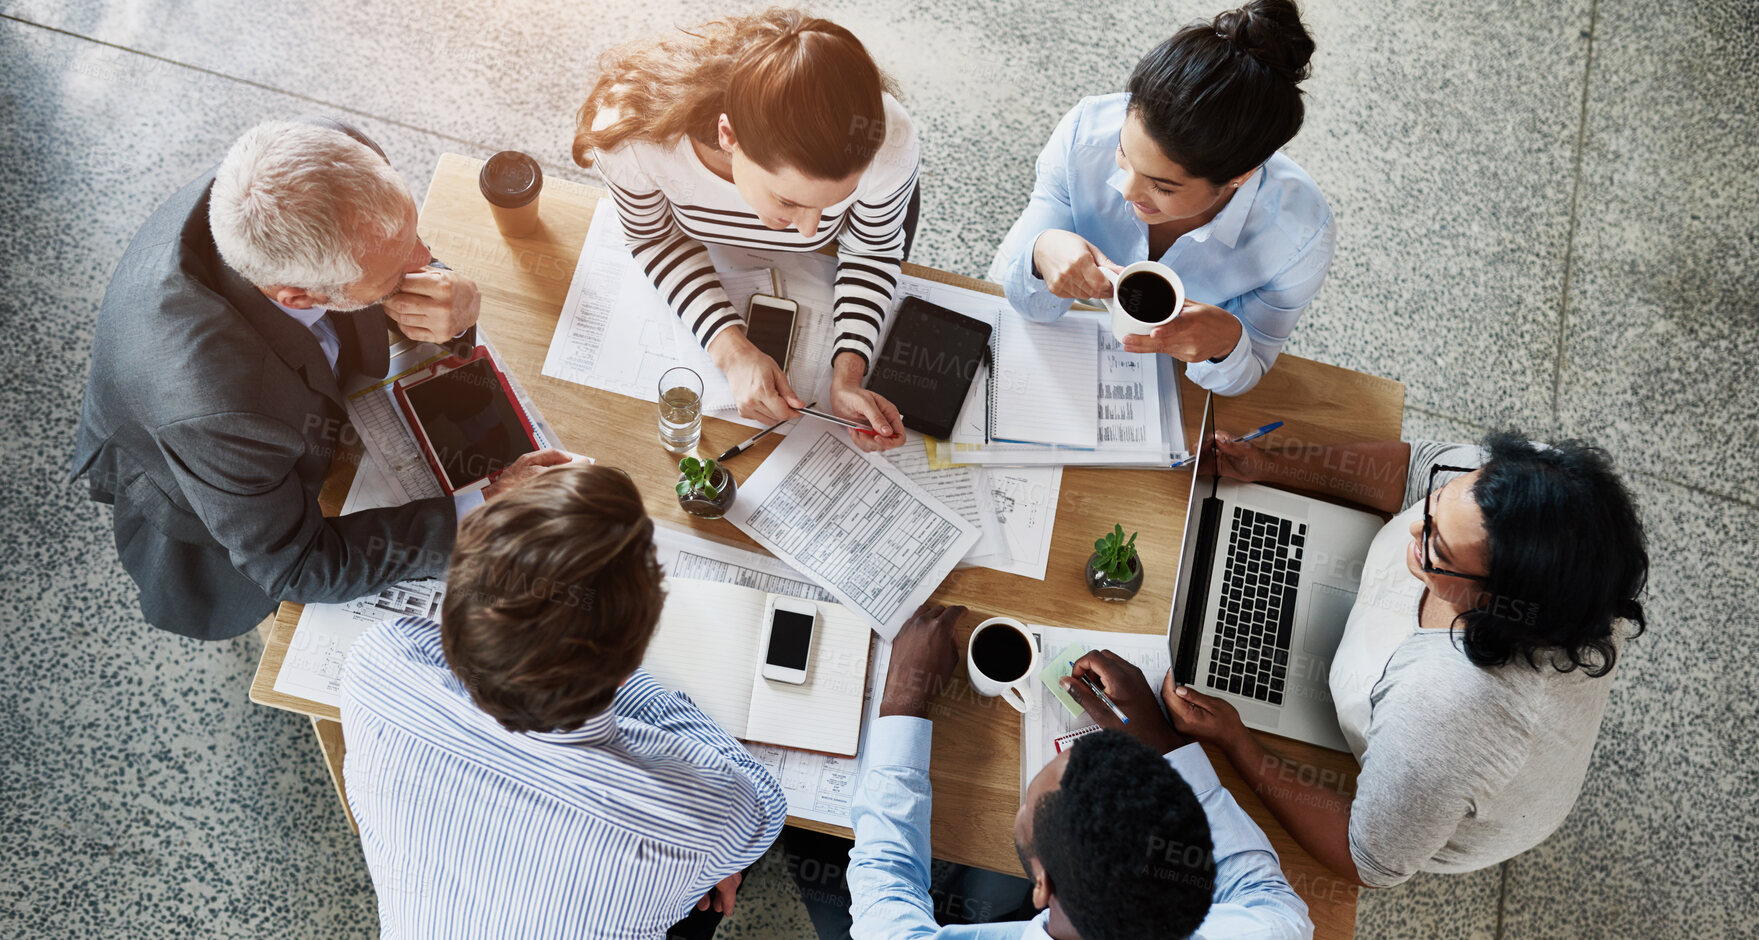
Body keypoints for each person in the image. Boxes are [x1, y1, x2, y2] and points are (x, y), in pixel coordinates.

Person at [785, 604, 1313, 940]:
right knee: (979, 889)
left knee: (813, 846)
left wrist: (905, 698)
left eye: (1032, 801)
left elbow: (886, 891)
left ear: (1045, 885)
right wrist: (1157, 737)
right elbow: (1254, 879)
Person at [340, 463, 786, 940]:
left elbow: (445, 642)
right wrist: (708, 848)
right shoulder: (699, 806)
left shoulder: (377, 666)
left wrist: (523, 558)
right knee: (721, 874)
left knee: (708, 857)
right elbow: (761, 800)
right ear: (631, 660)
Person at [68, 118, 562, 639]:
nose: (423, 261)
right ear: (299, 297)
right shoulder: (219, 409)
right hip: (210, 479)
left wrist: (445, 289)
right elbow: (295, 564)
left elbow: (392, 250)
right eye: (396, 275)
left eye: (416, 237)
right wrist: (486, 518)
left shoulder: (329, 151)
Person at [1155, 430, 1649, 889]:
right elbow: (1416, 469)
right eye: (1433, 509)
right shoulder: (1526, 491)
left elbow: (1366, 858)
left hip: (1433, 783)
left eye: (1435, 548)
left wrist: (1237, 742)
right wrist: (1277, 462)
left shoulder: (1451, 711)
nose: (1415, 526)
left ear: (1498, 605)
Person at [573, 8, 915, 449]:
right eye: (788, 200)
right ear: (728, 135)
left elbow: (869, 249)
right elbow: (653, 236)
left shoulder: (888, 138)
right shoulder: (634, 141)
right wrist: (731, 351)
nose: (811, 233)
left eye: (833, 205)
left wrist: (847, 375)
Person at [992, 0, 1332, 396]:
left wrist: (1226, 345)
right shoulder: (1084, 135)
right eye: (1124, 152)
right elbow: (1024, 302)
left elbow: (1244, 373)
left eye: (1163, 187)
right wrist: (1040, 252)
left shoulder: (1299, 238)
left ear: (1241, 176)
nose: (1127, 190)